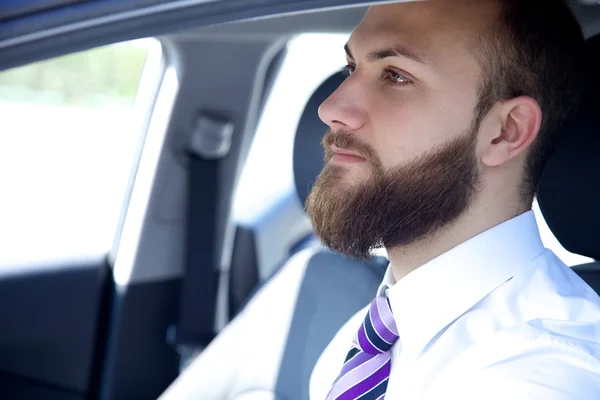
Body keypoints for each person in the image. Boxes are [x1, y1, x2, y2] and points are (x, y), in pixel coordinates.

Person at [308, 0, 600, 399]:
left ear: (506, 132)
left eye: (396, 75)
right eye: (351, 68)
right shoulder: (361, 339)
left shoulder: (544, 374)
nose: (330, 108)